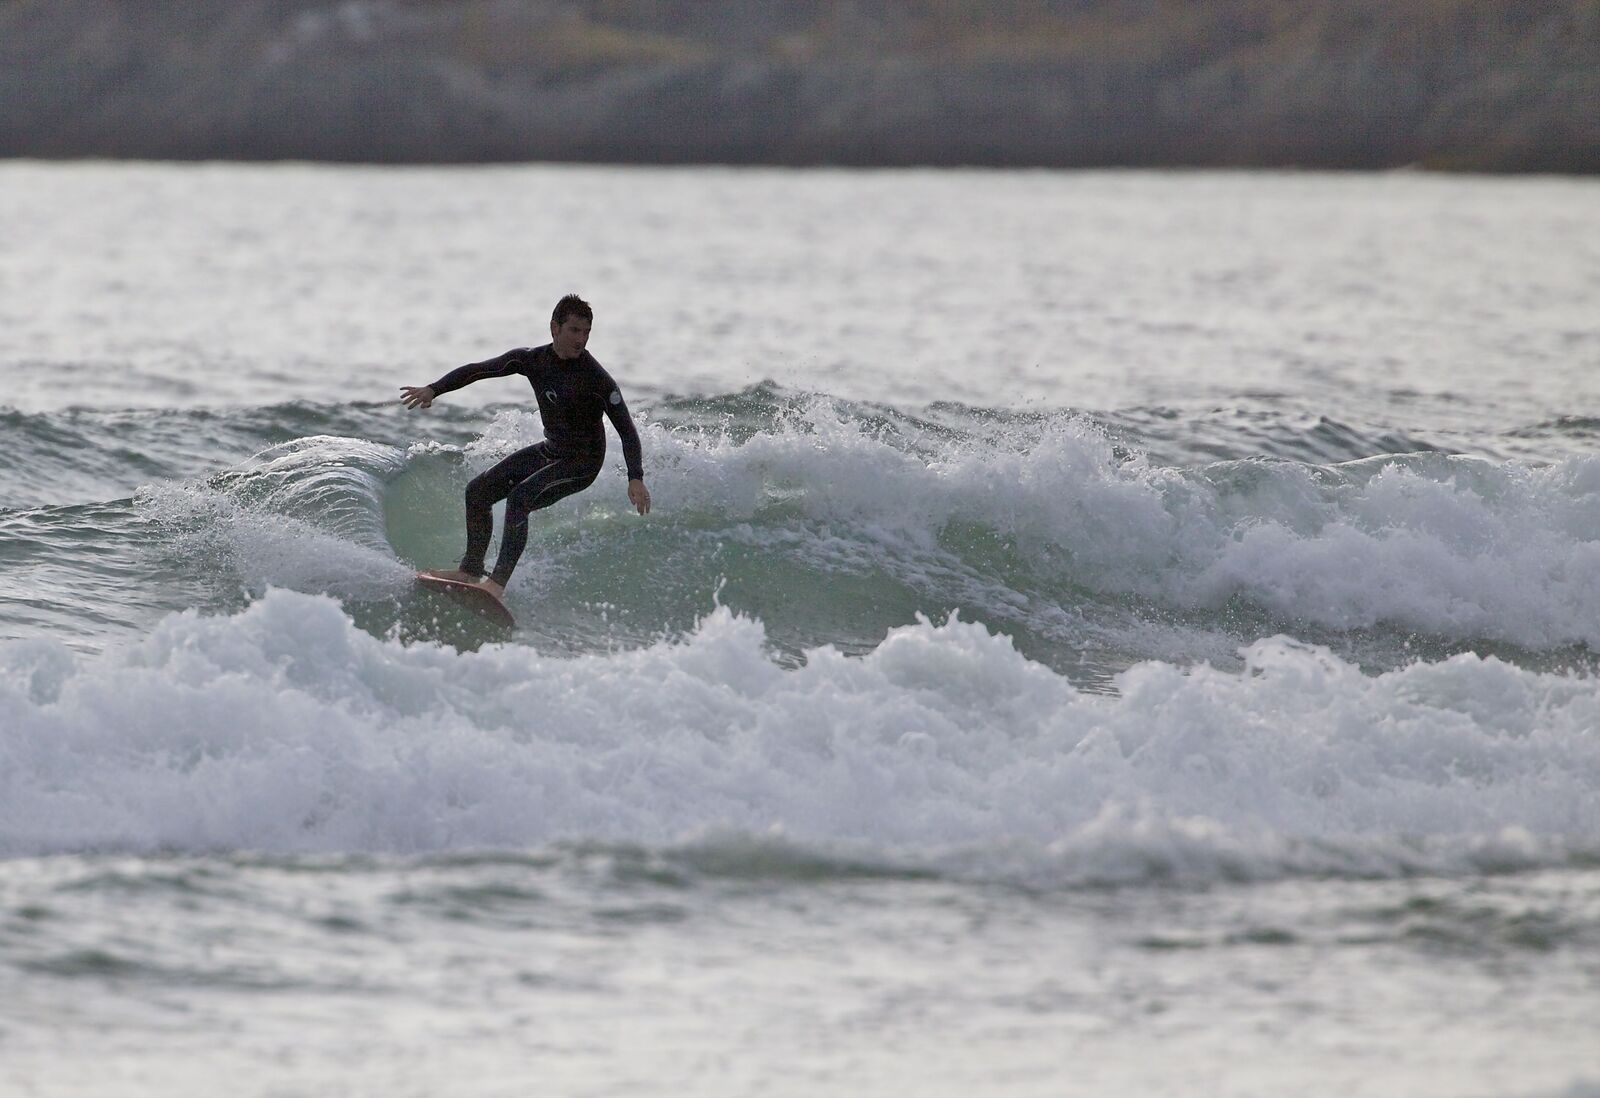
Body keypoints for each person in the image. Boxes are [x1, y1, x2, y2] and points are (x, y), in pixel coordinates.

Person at [400, 294, 650, 598]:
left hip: (582, 464)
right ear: (554, 328)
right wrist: (434, 389)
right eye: (574, 330)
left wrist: (635, 476)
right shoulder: (532, 360)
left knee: (520, 498)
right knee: (477, 492)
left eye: (586, 332)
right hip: (552, 450)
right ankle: (469, 570)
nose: (581, 339)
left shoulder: (597, 379)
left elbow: (627, 430)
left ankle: (496, 586)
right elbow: (478, 369)